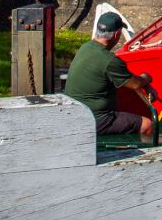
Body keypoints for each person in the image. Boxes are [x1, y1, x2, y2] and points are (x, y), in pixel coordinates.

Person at [65, 8, 155, 136]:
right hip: (96, 119)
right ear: (116, 34)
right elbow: (136, 84)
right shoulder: (109, 60)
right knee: (147, 125)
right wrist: (147, 77)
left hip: (76, 113)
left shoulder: (85, 47)